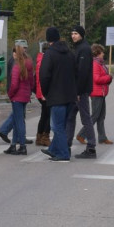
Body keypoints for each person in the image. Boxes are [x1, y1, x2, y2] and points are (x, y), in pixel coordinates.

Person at [38, 26, 77, 162]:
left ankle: (63, 154)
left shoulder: (49, 54)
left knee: (57, 126)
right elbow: (76, 73)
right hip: (70, 95)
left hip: (56, 96)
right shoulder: (70, 53)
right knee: (63, 125)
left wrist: (46, 92)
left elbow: (43, 76)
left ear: (49, 40)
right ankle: (54, 149)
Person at [65, 24, 97, 159]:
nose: (73, 36)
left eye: (76, 34)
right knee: (70, 117)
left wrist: (77, 92)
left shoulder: (84, 49)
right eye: (72, 33)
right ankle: (66, 145)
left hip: (81, 91)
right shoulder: (79, 48)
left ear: (81, 35)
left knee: (85, 119)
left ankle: (91, 148)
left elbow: (82, 73)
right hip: (76, 90)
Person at [4, 44, 34, 155]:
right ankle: (13, 145)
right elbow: (31, 81)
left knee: (19, 122)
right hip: (25, 96)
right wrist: (29, 92)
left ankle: (22, 146)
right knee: (18, 121)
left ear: (16, 54)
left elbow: (14, 84)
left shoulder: (17, 66)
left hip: (17, 96)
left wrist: (10, 95)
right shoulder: (29, 64)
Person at [80, 44, 113, 146]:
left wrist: (108, 79)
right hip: (96, 93)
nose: (103, 54)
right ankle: (81, 134)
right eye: (102, 52)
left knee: (101, 116)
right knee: (94, 116)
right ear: (98, 53)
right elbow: (97, 79)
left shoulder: (101, 63)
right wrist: (108, 78)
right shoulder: (95, 64)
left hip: (102, 93)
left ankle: (102, 137)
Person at [33, 43, 51, 146]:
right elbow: (41, 79)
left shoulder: (40, 60)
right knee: (49, 115)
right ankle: (45, 136)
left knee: (44, 114)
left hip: (42, 93)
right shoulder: (44, 62)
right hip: (44, 93)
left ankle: (39, 136)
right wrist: (44, 94)